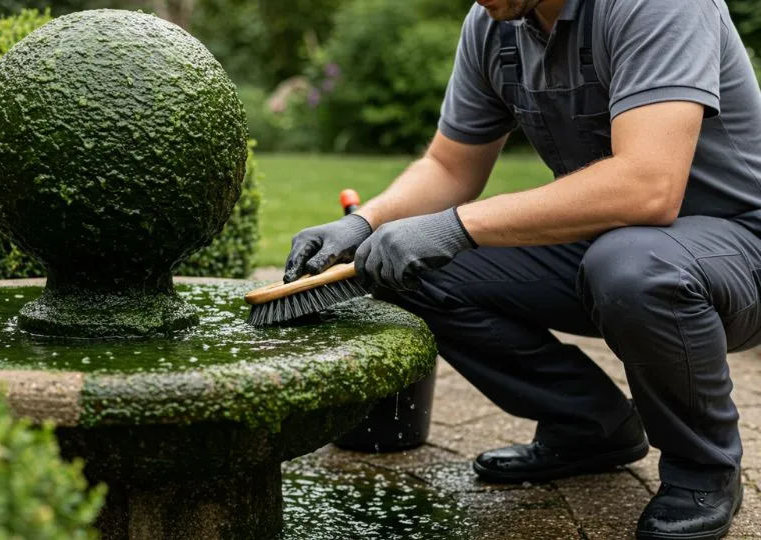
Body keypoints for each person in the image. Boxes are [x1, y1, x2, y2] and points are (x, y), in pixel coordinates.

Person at [283, 0, 761, 537]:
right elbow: (449, 165)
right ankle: (589, 426)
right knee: (408, 267)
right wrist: (365, 224)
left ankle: (703, 470)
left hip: (739, 247)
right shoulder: (493, 25)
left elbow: (648, 186)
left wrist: (454, 226)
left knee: (628, 265)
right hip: (613, 243)